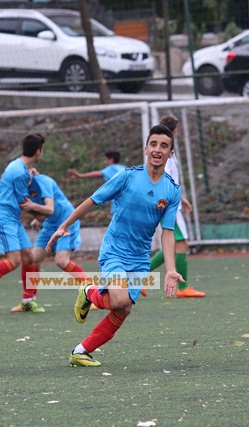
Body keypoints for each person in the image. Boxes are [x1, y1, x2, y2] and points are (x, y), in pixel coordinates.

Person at [46, 124, 184, 367]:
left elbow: (168, 232)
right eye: (153, 144)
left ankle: (80, 351)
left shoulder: (172, 190)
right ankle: (89, 291)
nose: (157, 149)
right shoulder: (127, 176)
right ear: (146, 148)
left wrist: (171, 269)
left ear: (170, 153)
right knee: (119, 300)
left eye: (164, 146)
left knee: (123, 309)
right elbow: (93, 200)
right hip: (115, 251)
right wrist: (65, 225)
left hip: (140, 258)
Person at [0, 133, 47, 313]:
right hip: (2, 217)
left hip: (12, 218)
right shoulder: (19, 172)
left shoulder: (21, 168)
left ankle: (28, 300)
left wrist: (31, 176)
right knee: (14, 260)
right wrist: (41, 214)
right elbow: (24, 202)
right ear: (38, 152)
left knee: (28, 257)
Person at [11, 171, 90, 312]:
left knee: (61, 261)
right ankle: (29, 301)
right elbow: (42, 215)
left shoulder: (44, 181)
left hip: (67, 222)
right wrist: (36, 217)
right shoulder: (22, 188)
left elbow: (49, 208)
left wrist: (32, 207)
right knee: (33, 260)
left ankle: (93, 293)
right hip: (50, 225)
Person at [148, 115, 206, 298]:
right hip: (170, 208)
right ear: (174, 131)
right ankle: (183, 288)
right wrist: (169, 207)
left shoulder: (168, 155)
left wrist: (183, 198)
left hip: (172, 205)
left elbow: (170, 182)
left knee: (175, 246)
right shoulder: (166, 157)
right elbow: (163, 182)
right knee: (181, 244)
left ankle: (138, 277)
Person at [68, 149, 125, 216]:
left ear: (111, 160)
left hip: (119, 203)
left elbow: (98, 174)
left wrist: (80, 175)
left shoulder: (111, 168)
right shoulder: (125, 168)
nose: (105, 162)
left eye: (106, 160)